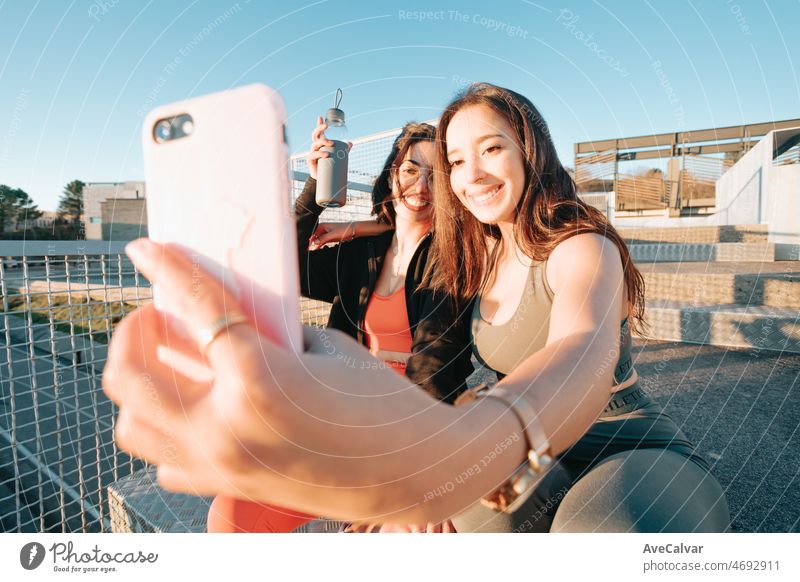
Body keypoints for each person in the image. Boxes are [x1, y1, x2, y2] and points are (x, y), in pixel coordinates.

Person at [104, 83, 730, 532]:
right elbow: (302, 258)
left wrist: (446, 453)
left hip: (622, 446)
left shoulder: (581, 246)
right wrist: (339, 218)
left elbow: (582, 352)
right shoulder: (473, 254)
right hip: (523, 456)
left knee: (599, 539)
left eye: (491, 149)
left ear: (530, 149)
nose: (468, 173)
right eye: (457, 160)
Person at [295, 118, 472, 404]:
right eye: (410, 170)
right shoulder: (359, 252)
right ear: (391, 178)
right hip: (342, 401)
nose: (421, 186)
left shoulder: (452, 256)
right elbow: (286, 269)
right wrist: (314, 191)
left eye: (436, 176)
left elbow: (435, 363)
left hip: (409, 417)